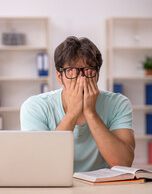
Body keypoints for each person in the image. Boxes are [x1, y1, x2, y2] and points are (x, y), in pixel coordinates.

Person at [20, 36, 135, 172]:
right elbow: (41, 163)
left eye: (88, 71)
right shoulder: (35, 106)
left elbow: (123, 163)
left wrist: (91, 113)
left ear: (97, 73)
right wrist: (72, 113)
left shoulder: (118, 103)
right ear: (59, 77)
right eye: (71, 71)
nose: (81, 79)